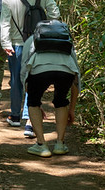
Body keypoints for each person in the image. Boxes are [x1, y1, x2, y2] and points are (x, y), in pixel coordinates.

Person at [0, 0, 60, 129]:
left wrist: (6, 43)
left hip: (17, 45)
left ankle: (16, 116)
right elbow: (55, 15)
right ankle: (30, 120)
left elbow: (4, 22)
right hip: (38, 44)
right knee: (34, 81)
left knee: (16, 81)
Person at [20, 28, 80, 157]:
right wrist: (72, 109)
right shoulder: (66, 42)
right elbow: (76, 79)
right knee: (61, 101)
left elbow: (24, 73)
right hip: (66, 71)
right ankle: (60, 144)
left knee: (33, 102)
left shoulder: (31, 40)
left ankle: (41, 145)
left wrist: (35, 104)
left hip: (39, 70)